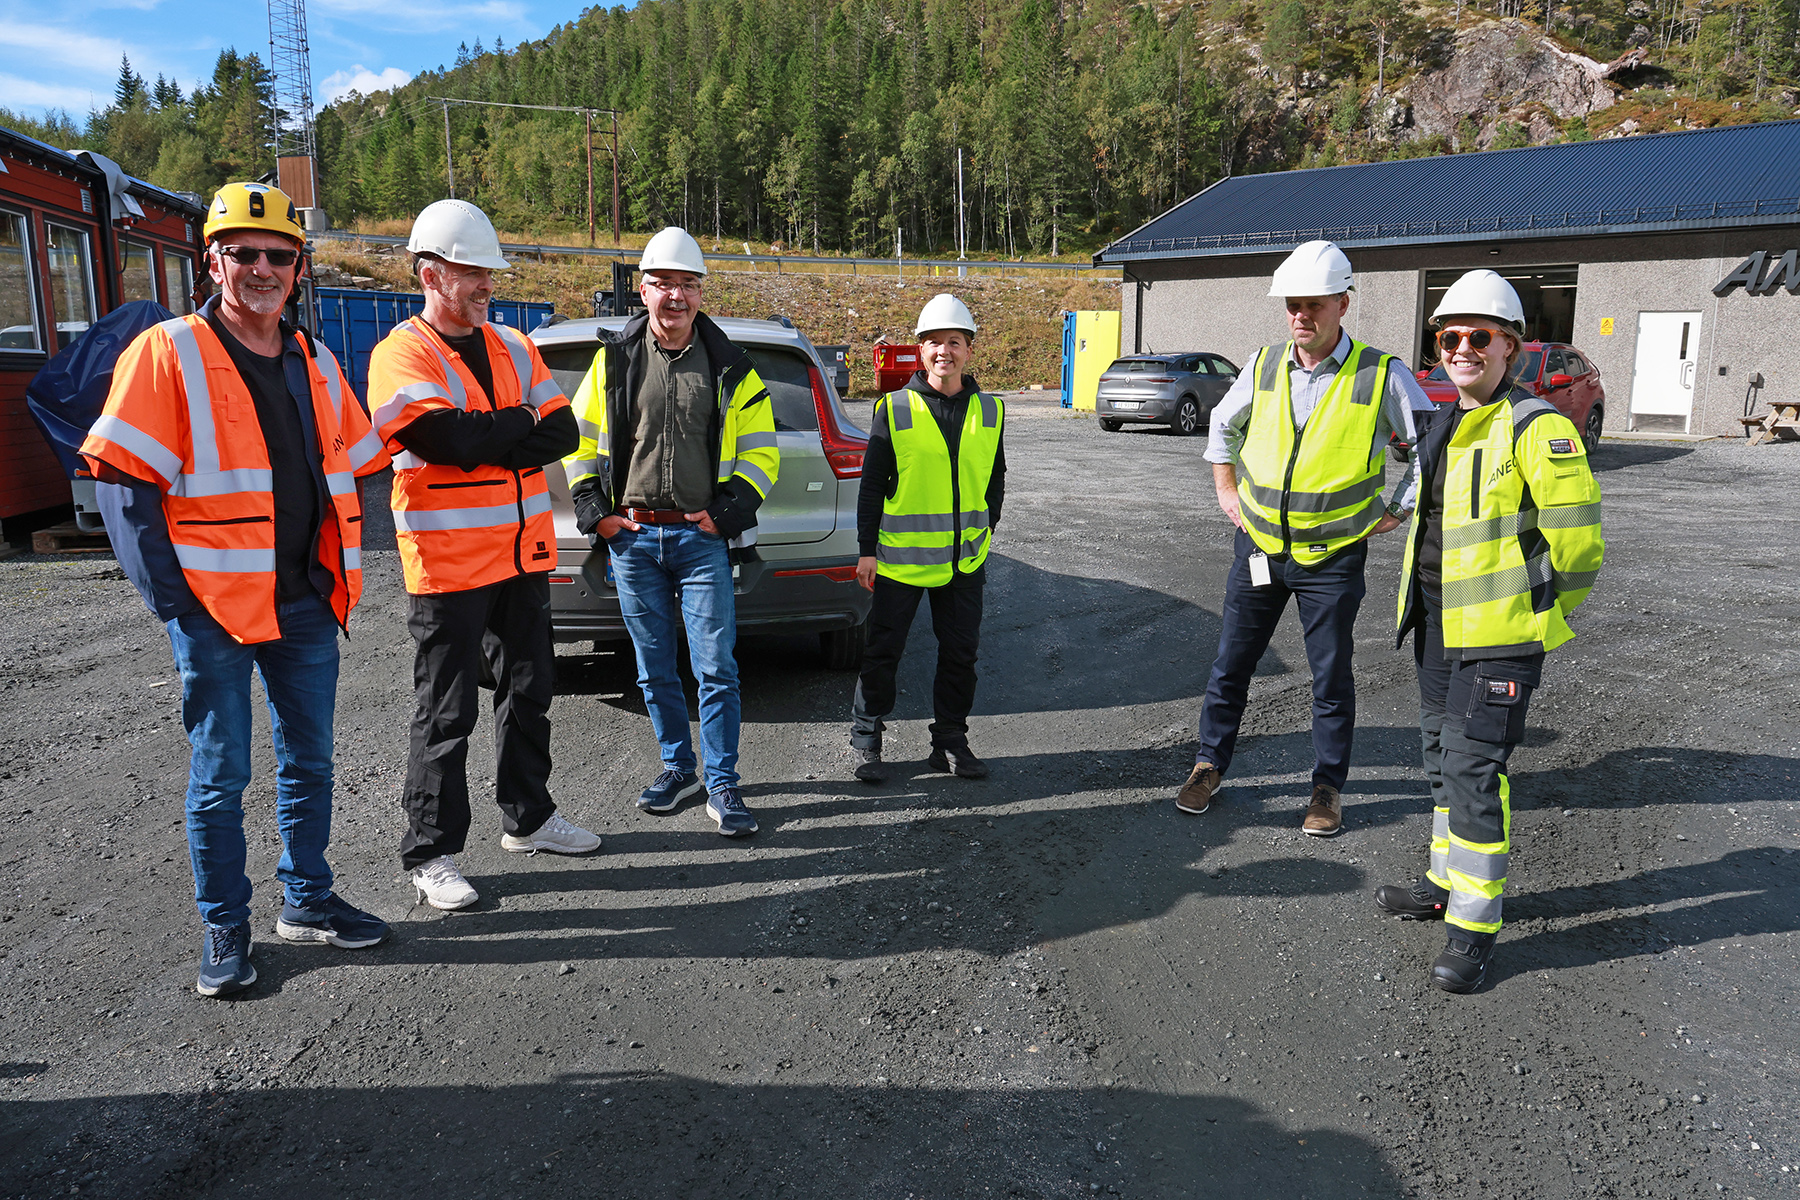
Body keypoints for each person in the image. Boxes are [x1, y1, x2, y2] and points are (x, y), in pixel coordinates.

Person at [82, 181, 391, 997]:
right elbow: (123, 483)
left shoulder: (314, 360)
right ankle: (224, 925)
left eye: (277, 255)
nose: (260, 267)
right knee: (221, 777)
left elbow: (358, 459)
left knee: (310, 762)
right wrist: (175, 601)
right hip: (214, 610)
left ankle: (308, 899)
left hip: (306, 600)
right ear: (213, 261)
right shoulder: (168, 351)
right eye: (242, 252)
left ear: (298, 269)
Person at [1374, 270, 1603, 993]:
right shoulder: (1446, 421)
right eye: (1450, 338)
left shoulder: (1539, 427)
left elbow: (1579, 546)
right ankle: (1444, 883)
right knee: (1440, 760)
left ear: (1511, 346)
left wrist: (1542, 614)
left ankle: (1473, 928)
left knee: (1474, 772)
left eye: (1480, 336)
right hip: (1437, 626)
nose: (1462, 349)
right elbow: (1415, 513)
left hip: (1500, 638)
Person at [367, 198, 598, 912]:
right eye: (472, 273)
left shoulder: (515, 346)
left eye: (488, 274)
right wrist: (517, 422)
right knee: (447, 710)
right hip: (448, 565)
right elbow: (446, 442)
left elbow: (562, 434)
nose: (486, 286)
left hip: (521, 556)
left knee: (529, 690)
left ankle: (529, 818)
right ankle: (430, 852)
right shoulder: (400, 355)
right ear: (430, 274)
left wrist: (493, 431)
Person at [1176, 240, 1433, 836]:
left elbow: (1430, 446)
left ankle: (1326, 788)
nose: (1301, 315)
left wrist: (1398, 509)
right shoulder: (1263, 364)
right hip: (1260, 549)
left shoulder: (1382, 373)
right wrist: (1226, 492)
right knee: (1230, 666)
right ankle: (1208, 765)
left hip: (1333, 558)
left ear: (1344, 303)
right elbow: (1222, 426)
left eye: (1314, 304)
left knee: (1330, 676)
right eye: (1293, 304)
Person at [562, 227, 780, 836]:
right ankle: (678, 768)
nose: (675, 296)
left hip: (701, 539)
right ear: (643, 289)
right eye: (663, 283)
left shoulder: (732, 366)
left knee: (717, 668)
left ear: (701, 292)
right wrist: (597, 512)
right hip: (633, 540)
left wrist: (726, 514)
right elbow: (579, 442)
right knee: (653, 667)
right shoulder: (613, 361)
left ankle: (723, 782)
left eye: (687, 284)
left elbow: (763, 454)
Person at [848, 294, 1005, 782]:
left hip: (964, 563)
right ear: (921, 350)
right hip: (901, 560)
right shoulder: (894, 408)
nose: (944, 352)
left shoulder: (991, 410)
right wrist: (866, 550)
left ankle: (950, 742)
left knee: (960, 656)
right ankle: (868, 739)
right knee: (883, 652)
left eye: (954, 342)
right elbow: (872, 484)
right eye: (934, 342)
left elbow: (995, 477)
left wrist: (987, 527)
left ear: (969, 350)